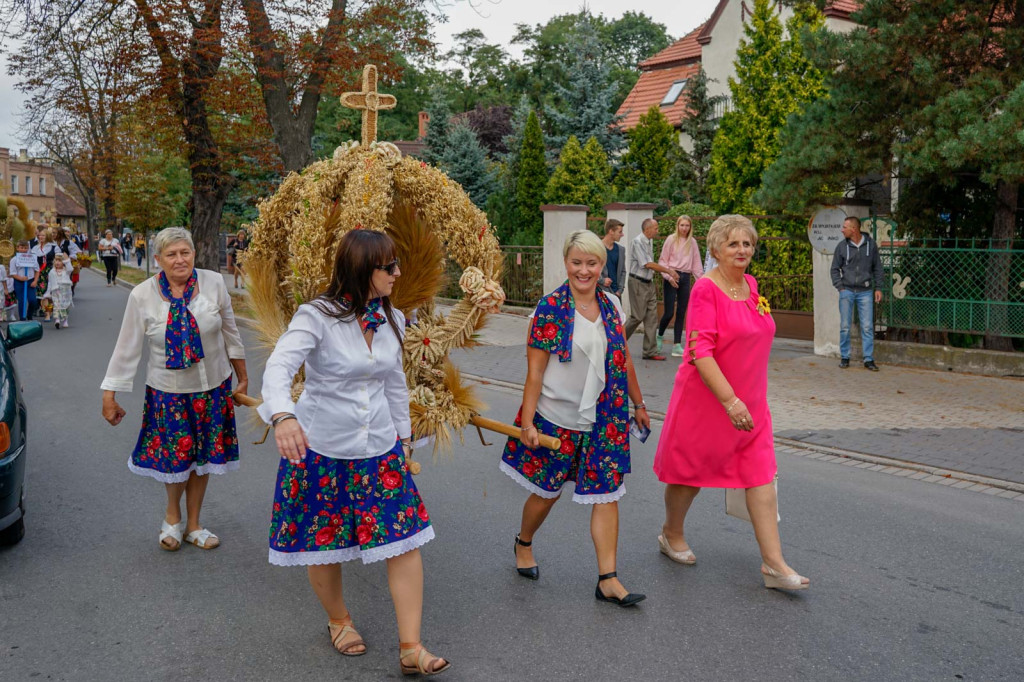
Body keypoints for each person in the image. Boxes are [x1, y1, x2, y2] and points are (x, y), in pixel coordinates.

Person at [258, 229, 449, 675]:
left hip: (380, 448)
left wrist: (403, 440)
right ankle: (339, 620)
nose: (398, 274)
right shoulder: (317, 316)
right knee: (323, 544)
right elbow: (280, 367)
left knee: (404, 541)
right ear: (364, 270)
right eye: (390, 267)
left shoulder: (394, 319)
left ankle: (411, 647)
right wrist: (283, 416)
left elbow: (394, 385)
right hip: (322, 449)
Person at [653, 215, 809, 591]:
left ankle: (774, 565)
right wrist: (730, 401)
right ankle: (671, 533)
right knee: (689, 475)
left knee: (760, 477)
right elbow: (700, 353)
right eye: (734, 244)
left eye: (748, 244)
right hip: (709, 401)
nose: (742, 250)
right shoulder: (706, 290)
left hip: (752, 402)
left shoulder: (752, 286)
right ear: (716, 248)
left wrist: (745, 400)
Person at [501, 229, 650, 608]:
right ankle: (524, 542)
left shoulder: (613, 304)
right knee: (546, 494)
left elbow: (624, 359)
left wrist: (639, 403)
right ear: (566, 263)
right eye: (577, 262)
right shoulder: (548, 309)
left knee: (607, 495)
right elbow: (534, 373)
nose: (584, 270)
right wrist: (528, 423)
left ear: (602, 266)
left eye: (592, 263)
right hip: (556, 417)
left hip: (606, 419)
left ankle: (608, 579)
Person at [101, 227, 248, 552]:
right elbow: (126, 348)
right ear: (158, 260)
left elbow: (231, 332)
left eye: (186, 253)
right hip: (168, 394)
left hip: (213, 389)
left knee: (204, 459)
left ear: (193, 254)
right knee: (176, 460)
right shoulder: (142, 295)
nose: (180, 260)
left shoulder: (213, 283)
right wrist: (110, 394)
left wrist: (242, 378)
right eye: (172, 254)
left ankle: (194, 524)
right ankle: (172, 517)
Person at [831, 216, 883, 371]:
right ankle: (845, 357)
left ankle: (868, 359)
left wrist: (878, 288)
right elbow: (834, 269)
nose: (842, 229)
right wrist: (840, 286)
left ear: (854, 229)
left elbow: (878, 268)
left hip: (865, 291)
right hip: (846, 291)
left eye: (845, 227)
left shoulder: (871, 245)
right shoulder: (841, 247)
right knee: (845, 326)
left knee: (867, 326)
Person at [624, 218, 678, 361]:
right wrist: (669, 271)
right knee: (637, 317)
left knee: (652, 317)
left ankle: (650, 351)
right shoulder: (637, 242)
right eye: (655, 228)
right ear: (647, 229)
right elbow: (647, 264)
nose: (657, 231)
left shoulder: (648, 242)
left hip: (648, 283)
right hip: (637, 282)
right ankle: (617, 342)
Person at [657, 215, 704, 357]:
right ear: (677, 226)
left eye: (687, 226)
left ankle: (677, 345)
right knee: (669, 311)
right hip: (672, 275)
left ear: (690, 227)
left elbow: (696, 264)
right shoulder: (671, 239)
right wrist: (669, 277)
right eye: (682, 225)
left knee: (681, 312)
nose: (684, 228)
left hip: (685, 277)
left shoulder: (693, 242)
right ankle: (659, 337)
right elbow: (662, 261)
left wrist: (702, 281)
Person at [31, 228, 59, 320]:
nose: (40, 237)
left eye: (43, 235)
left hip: (51, 271)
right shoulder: (35, 248)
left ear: (47, 236)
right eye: (40, 235)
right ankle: (45, 311)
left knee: (50, 292)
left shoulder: (54, 247)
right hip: (39, 272)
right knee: (41, 293)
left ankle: (49, 311)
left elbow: (59, 259)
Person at [10, 241, 39, 321]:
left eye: (25, 248)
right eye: (21, 248)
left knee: (33, 300)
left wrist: (35, 281)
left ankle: (29, 315)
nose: (23, 250)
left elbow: (37, 270)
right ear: (17, 248)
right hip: (19, 282)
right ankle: (22, 318)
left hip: (30, 281)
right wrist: (21, 278)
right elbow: (13, 273)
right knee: (22, 301)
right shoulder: (14, 260)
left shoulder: (32, 258)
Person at [43, 253, 73, 329]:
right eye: (56, 260)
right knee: (56, 305)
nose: (57, 263)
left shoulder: (66, 271)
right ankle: (57, 319)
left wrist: (67, 260)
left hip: (65, 291)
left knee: (65, 306)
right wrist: (47, 292)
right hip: (56, 291)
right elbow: (50, 282)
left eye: (60, 261)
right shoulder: (52, 272)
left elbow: (70, 269)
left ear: (63, 262)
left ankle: (65, 320)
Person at [599, 218, 625, 299]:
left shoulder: (621, 249)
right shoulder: (597, 248)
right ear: (611, 231)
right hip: (601, 292)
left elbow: (623, 271)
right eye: (620, 232)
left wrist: (620, 291)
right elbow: (590, 269)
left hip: (616, 294)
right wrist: (602, 281)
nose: (622, 234)